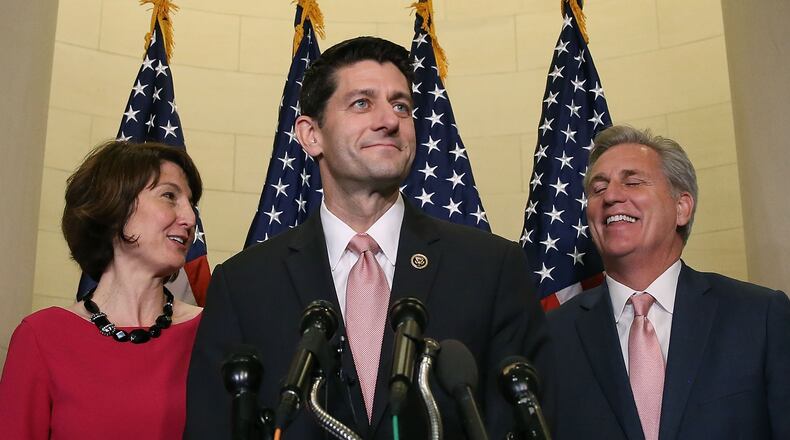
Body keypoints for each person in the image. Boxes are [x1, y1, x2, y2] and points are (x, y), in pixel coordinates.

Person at [185, 36, 553, 439]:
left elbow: (522, 422)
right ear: (311, 135)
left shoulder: (490, 267)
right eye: (362, 103)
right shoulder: (244, 284)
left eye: (401, 106)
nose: (390, 120)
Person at [548, 125, 790, 439]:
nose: (611, 196)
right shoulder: (552, 335)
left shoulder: (759, 316)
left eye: (632, 182)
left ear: (681, 207)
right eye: (598, 188)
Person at [0, 141, 204, 439]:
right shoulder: (42, 336)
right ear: (115, 206)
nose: (189, 218)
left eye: (191, 203)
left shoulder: (211, 332)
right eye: (170, 196)